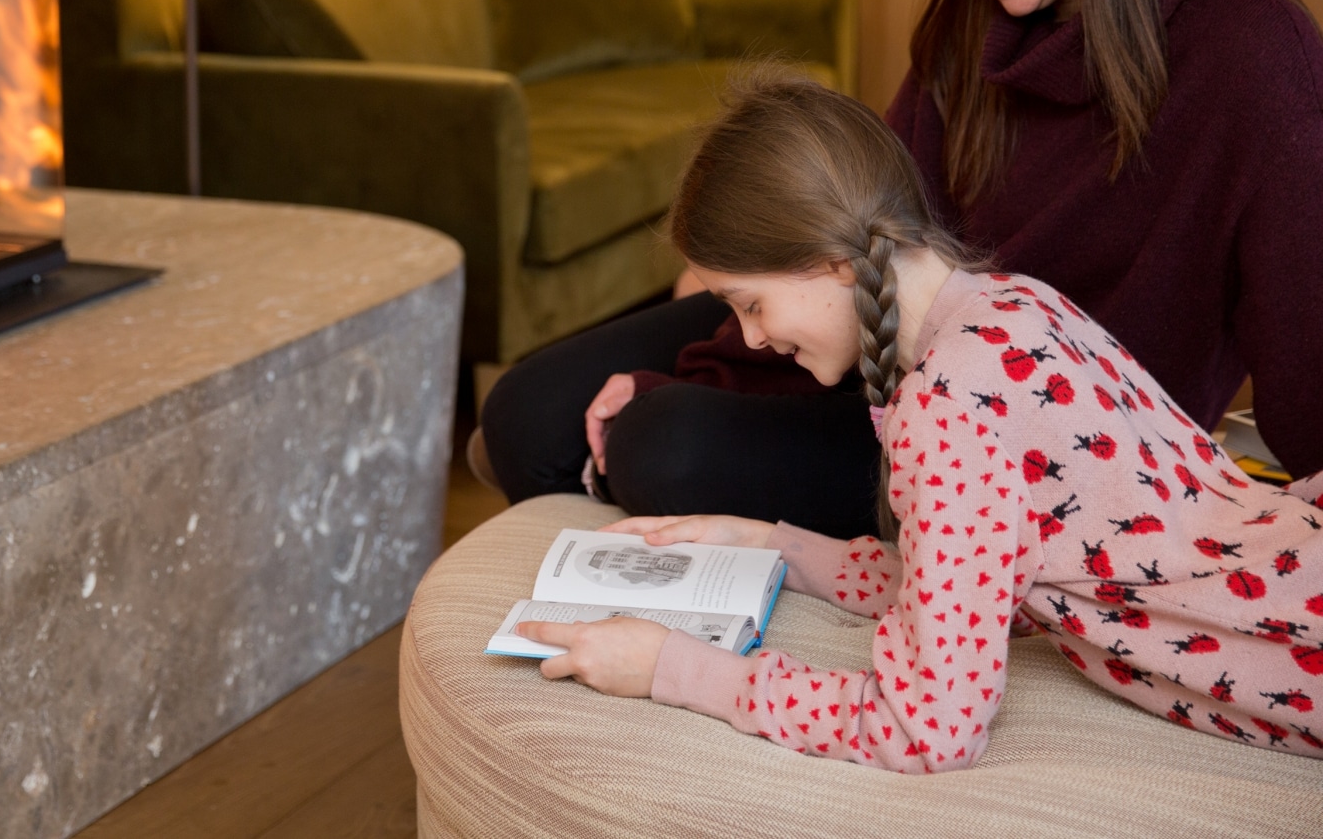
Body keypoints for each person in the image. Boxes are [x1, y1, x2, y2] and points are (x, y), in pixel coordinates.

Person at [479, 0, 1323, 537]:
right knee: (526, 413)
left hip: (1010, 447)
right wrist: (724, 311)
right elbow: (861, 233)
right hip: (884, 350)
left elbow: (1304, 340)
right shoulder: (970, 14)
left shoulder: (1248, 48)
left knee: (664, 446)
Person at [518, 75, 1323, 772]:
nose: (752, 336)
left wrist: (670, 666)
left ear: (832, 261)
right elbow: (985, 584)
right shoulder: (1017, 303)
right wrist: (775, 545)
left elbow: (926, 727)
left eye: (749, 303)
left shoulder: (948, 411)